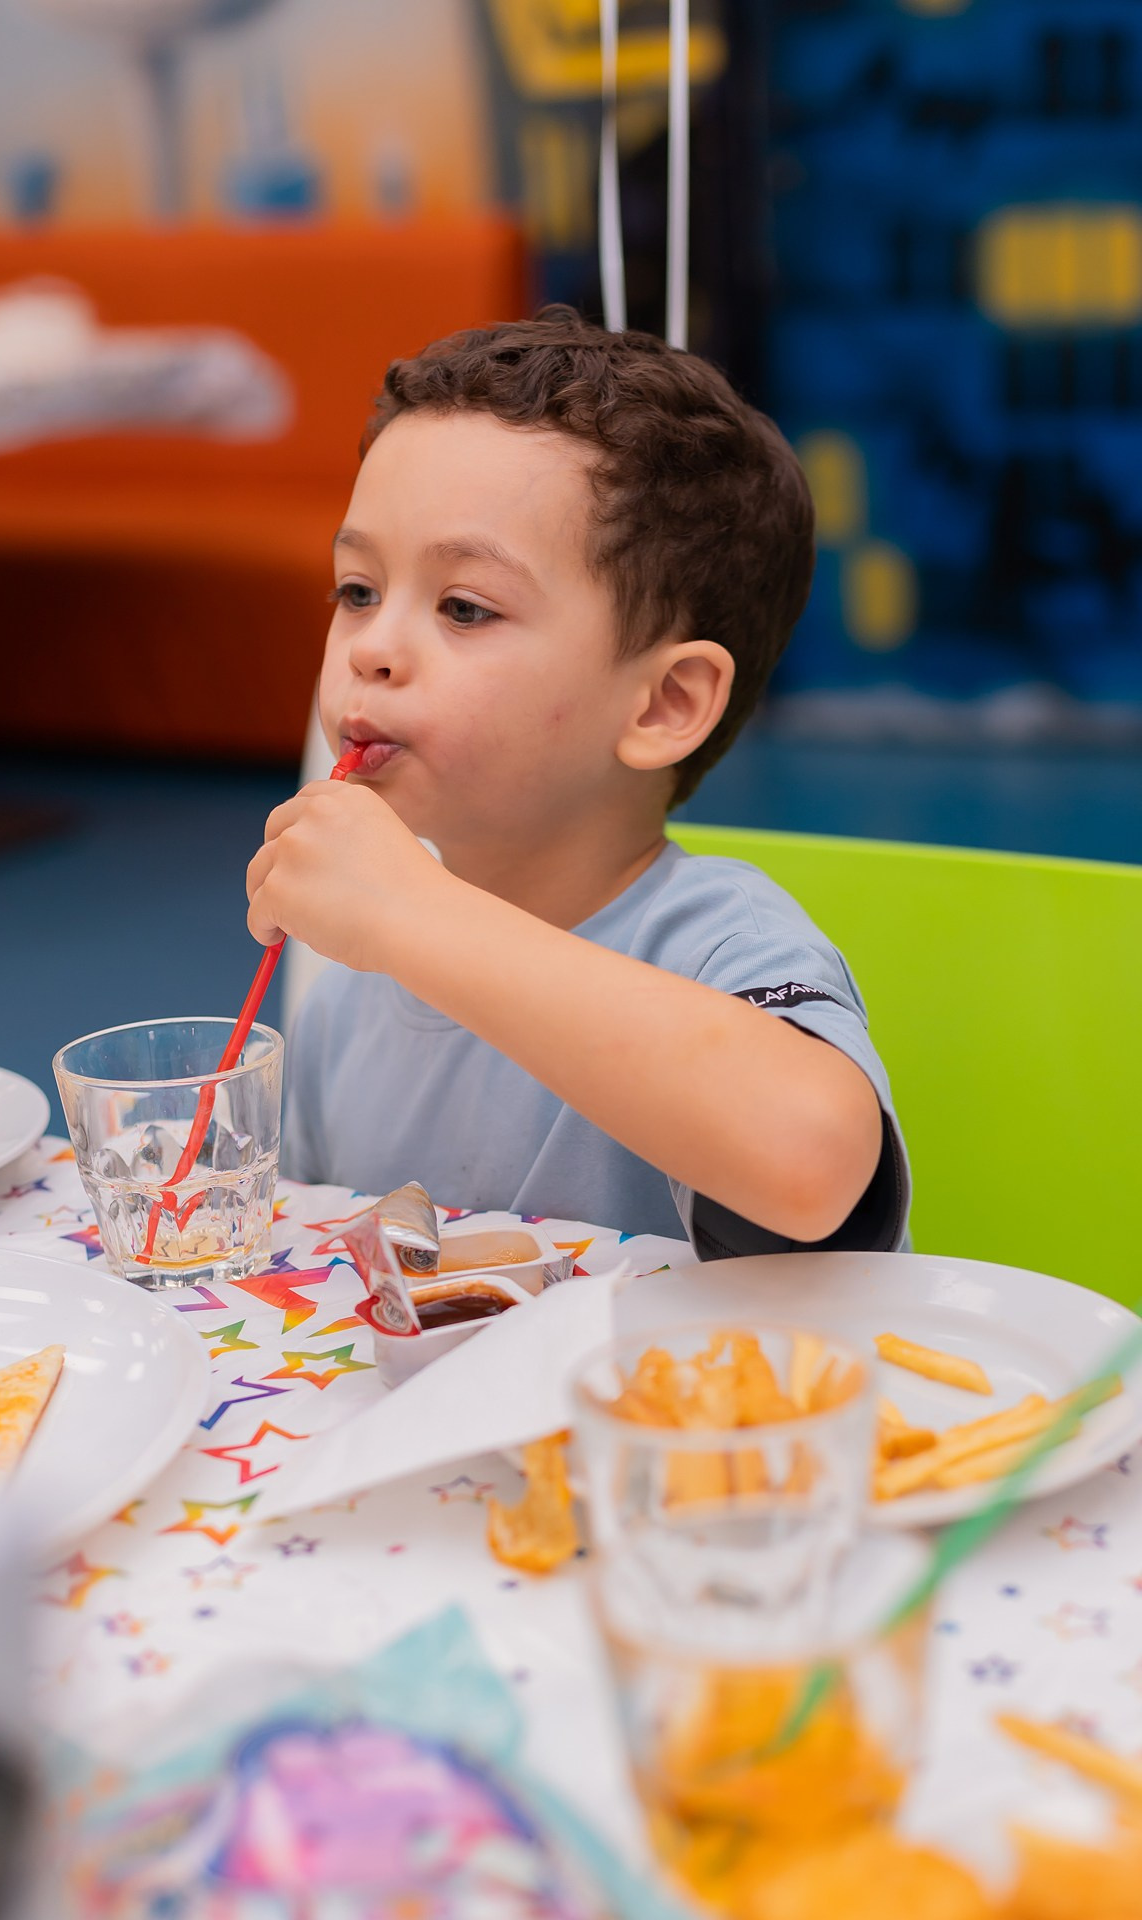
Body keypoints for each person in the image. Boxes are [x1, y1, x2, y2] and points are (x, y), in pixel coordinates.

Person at [246, 308, 909, 1256]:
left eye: (464, 607)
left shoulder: (717, 945)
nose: (374, 648)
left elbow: (811, 1155)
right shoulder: (348, 1003)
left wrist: (411, 915)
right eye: (357, 591)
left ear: (664, 704)